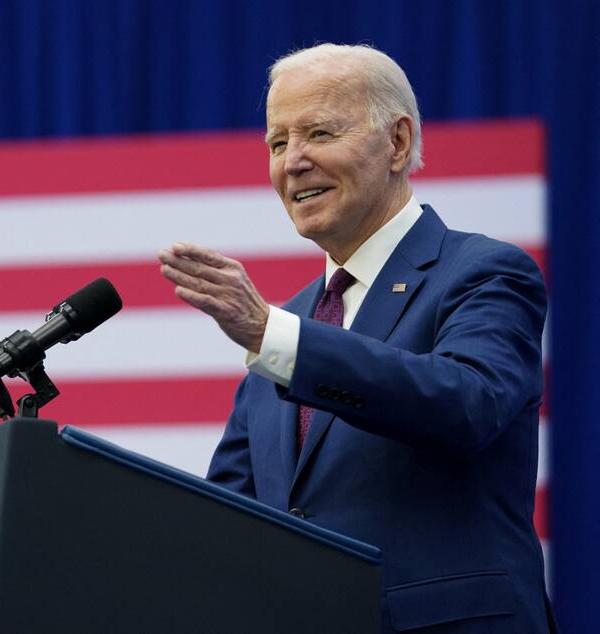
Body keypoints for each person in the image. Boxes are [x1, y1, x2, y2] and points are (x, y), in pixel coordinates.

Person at [158, 43, 554, 633]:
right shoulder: (286, 326)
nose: (292, 162)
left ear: (396, 143)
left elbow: (469, 402)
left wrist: (275, 337)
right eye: (276, 143)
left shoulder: (483, 272)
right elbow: (229, 517)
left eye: (317, 133)